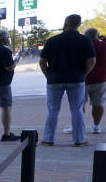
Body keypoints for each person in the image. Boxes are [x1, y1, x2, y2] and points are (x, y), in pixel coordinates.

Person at [39, 14, 96, 146]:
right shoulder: (85, 40)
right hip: (76, 79)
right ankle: (79, 140)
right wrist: (83, 74)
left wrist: (49, 76)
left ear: (65, 24)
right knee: (77, 109)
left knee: (53, 110)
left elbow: (42, 62)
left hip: (54, 79)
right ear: (79, 25)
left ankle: (48, 139)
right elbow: (92, 61)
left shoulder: (52, 40)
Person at [64, 29, 106, 135]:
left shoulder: (79, 46)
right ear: (98, 36)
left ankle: (79, 127)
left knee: (79, 105)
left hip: (82, 80)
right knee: (98, 104)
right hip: (101, 80)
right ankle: (96, 127)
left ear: (85, 36)